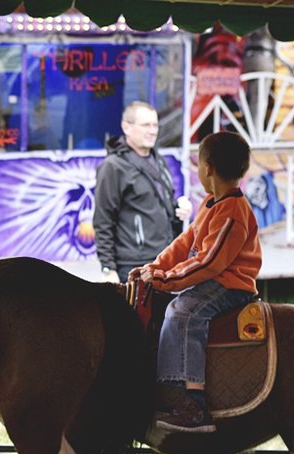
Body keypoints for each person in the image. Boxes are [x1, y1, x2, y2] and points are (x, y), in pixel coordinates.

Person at [130, 131, 261, 433]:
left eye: (199, 164)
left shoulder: (232, 212)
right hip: (214, 279)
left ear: (208, 168)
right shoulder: (211, 202)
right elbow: (185, 242)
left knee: (185, 312)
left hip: (230, 285)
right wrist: (155, 267)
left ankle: (193, 401)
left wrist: (164, 279)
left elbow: (209, 263)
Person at [93, 101, 191, 283]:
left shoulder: (158, 159)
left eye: (155, 125)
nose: (152, 130)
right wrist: (108, 269)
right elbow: (103, 220)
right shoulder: (113, 167)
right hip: (133, 266)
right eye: (146, 125)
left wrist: (179, 210)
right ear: (126, 127)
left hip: (164, 260)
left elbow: (158, 206)